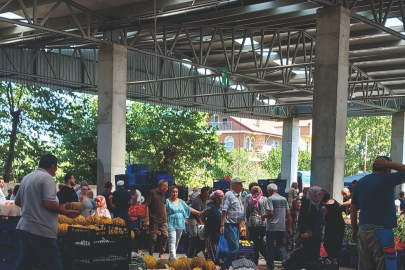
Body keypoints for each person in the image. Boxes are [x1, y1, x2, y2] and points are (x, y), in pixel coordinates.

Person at [14, 154, 79, 270]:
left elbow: (18, 201)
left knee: (26, 262)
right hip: (41, 230)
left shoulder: (27, 178)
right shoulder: (47, 178)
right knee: (54, 264)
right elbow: (48, 203)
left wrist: (32, 207)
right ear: (53, 166)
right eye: (56, 167)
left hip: (25, 227)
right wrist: (66, 212)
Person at [351, 156, 405, 270]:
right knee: (385, 264)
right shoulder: (387, 179)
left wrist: (354, 230)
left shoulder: (360, 183)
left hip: (363, 231)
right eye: (389, 167)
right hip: (382, 230)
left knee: (365, 266)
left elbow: (353, 208)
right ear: (386, 167)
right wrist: (389, 164)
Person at [261, 183, 291, 270]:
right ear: (277, 190)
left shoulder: (270, 199)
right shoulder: (284, 199)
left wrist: (263, 216)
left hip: (271, 227)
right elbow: (288, 213)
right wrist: (289, 226)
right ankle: (287, 263)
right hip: (281, 227)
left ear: (269, 191)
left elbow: (271, 213)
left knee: (269, 246)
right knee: (280, 245)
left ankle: (270, 266)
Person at [166, 185, 200, 259]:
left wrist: (198, 212)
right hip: (171, 223)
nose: (174, 193)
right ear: (170, 193)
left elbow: (188, 208)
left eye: (176, 192)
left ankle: (171, 257)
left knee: (177, 241)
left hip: (180, 223)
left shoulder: (181, 202)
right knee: (172, 240)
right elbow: (164, 212)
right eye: (173, 192)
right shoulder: (167, 201)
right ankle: (174, 258)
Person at [220, 177, 245, 270]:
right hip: (229, 225)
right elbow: (224, 211)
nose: (241, 186)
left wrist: (239, 225)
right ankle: (226, 266)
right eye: (240, 184)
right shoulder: (228, 195)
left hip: (236, 225)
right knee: (234, 247)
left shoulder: (238, 196)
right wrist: (222, 225)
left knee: (234, 248)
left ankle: (229, 266)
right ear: (233, 186)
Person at [298, 186, 324, 264]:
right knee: (308, 255)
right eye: (318, 194)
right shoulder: (307, 204)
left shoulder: (319, 205)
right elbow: (301, 218)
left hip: (317, 234)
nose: (320, 196)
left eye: (321, 194)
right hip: (308, 234)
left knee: (316, 255)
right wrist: (302, 231)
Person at [145, 180, 169, 258]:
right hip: (153, 219)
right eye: (166, 187)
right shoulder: (152, 192)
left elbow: (163, 206)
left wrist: (165, 217)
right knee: (153, 238)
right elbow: (147, 205)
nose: (167, 189)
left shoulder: (163, 194)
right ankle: (151, 254)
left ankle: (161, 253)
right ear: (162, 187)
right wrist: (147, 219)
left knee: (165, 235)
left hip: (162, 219)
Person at [245, 186, 267, 266]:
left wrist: (248, 220)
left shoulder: (250, 200)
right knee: (262, 240)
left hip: (252, 223)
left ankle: (255, 260)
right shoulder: (265, 199)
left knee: (254, 241)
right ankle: (266, 255)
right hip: (262, 222)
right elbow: (268, 210)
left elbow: (247, 212)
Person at [321, 191, 345, 264]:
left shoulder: (324, 207)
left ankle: (332, 264)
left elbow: (321, 219)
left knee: (329, 248)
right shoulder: (334, 201)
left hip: (331, 229)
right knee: (336, 249)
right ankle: (334, 263)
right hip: (340, 227)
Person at [200, 190, 224, 264]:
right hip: (211, 233)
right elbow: (201, 215)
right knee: (213, 252)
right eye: (221, 197)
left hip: (219, 232)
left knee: (220, 250)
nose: (223, 198)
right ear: (216, 197)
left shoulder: (222, 206)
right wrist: (207, 223)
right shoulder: (211, 207)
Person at [188, 186, 210, 258]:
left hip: (199, 219)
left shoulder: (204, 199)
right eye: (206, 193)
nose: (207, 195)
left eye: (208, 193)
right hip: (193, 219)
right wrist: (202, 223)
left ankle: (195, 255)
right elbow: (198, 214)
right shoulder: (198, 200)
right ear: (202, 193)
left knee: (199, 238)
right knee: (195, 237)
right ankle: (191, 255)